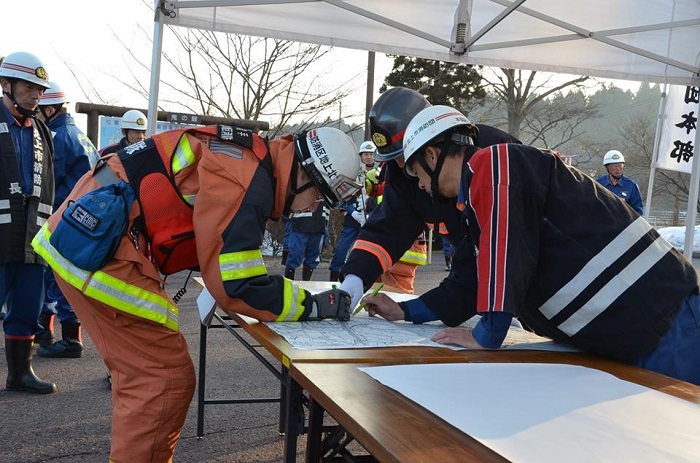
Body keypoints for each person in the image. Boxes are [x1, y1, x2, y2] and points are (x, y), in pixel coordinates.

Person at [32, 125, 360, 460]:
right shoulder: (246, 178)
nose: (312, 206)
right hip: (99, 248)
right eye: (319, 195)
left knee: (146, 377)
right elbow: (238, 284)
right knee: (161, 378)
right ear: (304, 175)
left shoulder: (249, 159)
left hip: (88, 234)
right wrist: (316, 305)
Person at [386, 104, 700, 385]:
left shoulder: (494, 164)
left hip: (667, 323)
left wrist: (488, 333)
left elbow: (505, 254)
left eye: (417, 176)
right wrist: (404, 311)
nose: (422, 187)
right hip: (637, 330)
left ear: (431, 155)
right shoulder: (483, 196)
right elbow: (471, 279)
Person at [340, 86, 521, 324]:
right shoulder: (402, 172)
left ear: (433, 148)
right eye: (395, 158)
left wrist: (495, 323)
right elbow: (388, 228)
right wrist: (355, 277)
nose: (404, 167)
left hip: (519, 291)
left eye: (407, 156)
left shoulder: (494, 155)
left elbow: (501, 257)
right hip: (477, 278)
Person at [0, 51, 57, 394]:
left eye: (39, 88)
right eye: (28, 87)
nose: (36, 95)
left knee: (27, 304)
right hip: (1, 229)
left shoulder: (41, 129)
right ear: (6, 84)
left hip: (32, 231)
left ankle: (20, 372)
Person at [34, 81, 99, 358]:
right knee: (61, 276)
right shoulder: (77, 134)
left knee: (56, 277)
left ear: (49, 110)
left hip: (64, 214)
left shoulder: (57, 136)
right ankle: (50, 334)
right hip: (83, 217)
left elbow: (50, 182)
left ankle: (68, 340)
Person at [329, 140, 376, 282]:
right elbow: (343, 197)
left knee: (368, 255)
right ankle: (332, 281)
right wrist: (352, 212)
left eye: (371, 154)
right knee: (341, 251)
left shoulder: (380, 173)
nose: (368, 157)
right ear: (360, 156)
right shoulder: (353, 173)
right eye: (365, 154)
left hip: (372, 221)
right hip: (352, 220)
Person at [284, 204, 329, 281]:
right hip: (300, 221)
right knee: (295, 254)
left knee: (313, 257)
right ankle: (287, 285)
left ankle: (307, 285)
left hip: (320, 222)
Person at [595, 149, 644, 215]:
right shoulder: (598, 184)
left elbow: (638, 210)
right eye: (614, 166)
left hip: (624, 223)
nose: (617, 169)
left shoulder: (631, 185)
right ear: (606, 168)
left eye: (619, 166)